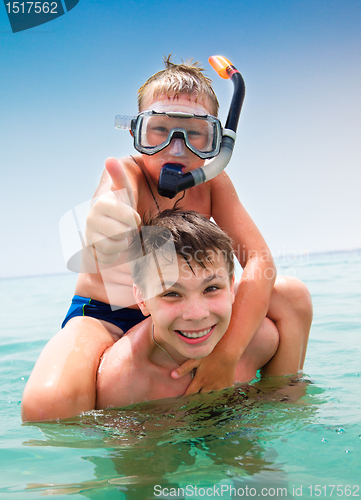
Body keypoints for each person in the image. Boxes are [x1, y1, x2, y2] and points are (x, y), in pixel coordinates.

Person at [21, 56, 312, 422]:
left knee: (290, 296)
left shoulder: (212, 183)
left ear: (217, 142)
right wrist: (104, 227)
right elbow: (110, 200)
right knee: (48, 403)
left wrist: (227, 356)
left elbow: (259, 261)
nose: (177, 149)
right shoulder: (127, 173)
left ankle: (282, 404)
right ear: (135, 134)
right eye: (159, 130)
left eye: (195, 134)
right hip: (105, 317)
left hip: (177, 309)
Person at [96, 209, 301, 409]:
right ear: (142, 298)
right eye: (172, 294)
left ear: (231, 287)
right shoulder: (122, 384)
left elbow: (286, 414)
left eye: (211, 288)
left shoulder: (260, 342)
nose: (197, 314)